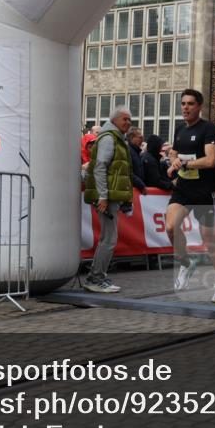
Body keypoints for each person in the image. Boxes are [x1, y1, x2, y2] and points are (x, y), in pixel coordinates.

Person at [166, 89, 215, 302]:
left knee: (208, 238)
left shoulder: (208, 128)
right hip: (183, 188)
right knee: (170, 227)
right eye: (183, 103)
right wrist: (172, 160)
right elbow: (174, 152)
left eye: (190, 104)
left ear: (199, 106)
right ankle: (185, 263)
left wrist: (185, 163)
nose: (185, 107)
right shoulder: (180, 129)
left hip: (204, 191)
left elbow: (210, 161)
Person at [83, 106, 134, 293]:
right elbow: (100, 167)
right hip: (107, 196)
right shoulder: (109, 138)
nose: (128, 122)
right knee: (109, 239)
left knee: (108, 238)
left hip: (110, 196)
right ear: (114, 120)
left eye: (130, 119)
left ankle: (97, 276)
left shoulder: (115, 138)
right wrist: (103, 196)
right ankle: (95, 278)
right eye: (125, 119)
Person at [126, 127, 147, 193]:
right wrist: (141, 185)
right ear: (132, 137)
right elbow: (128, 172)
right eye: (140, 137)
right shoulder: (127, 151)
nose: (143, 140)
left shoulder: (136, 152)